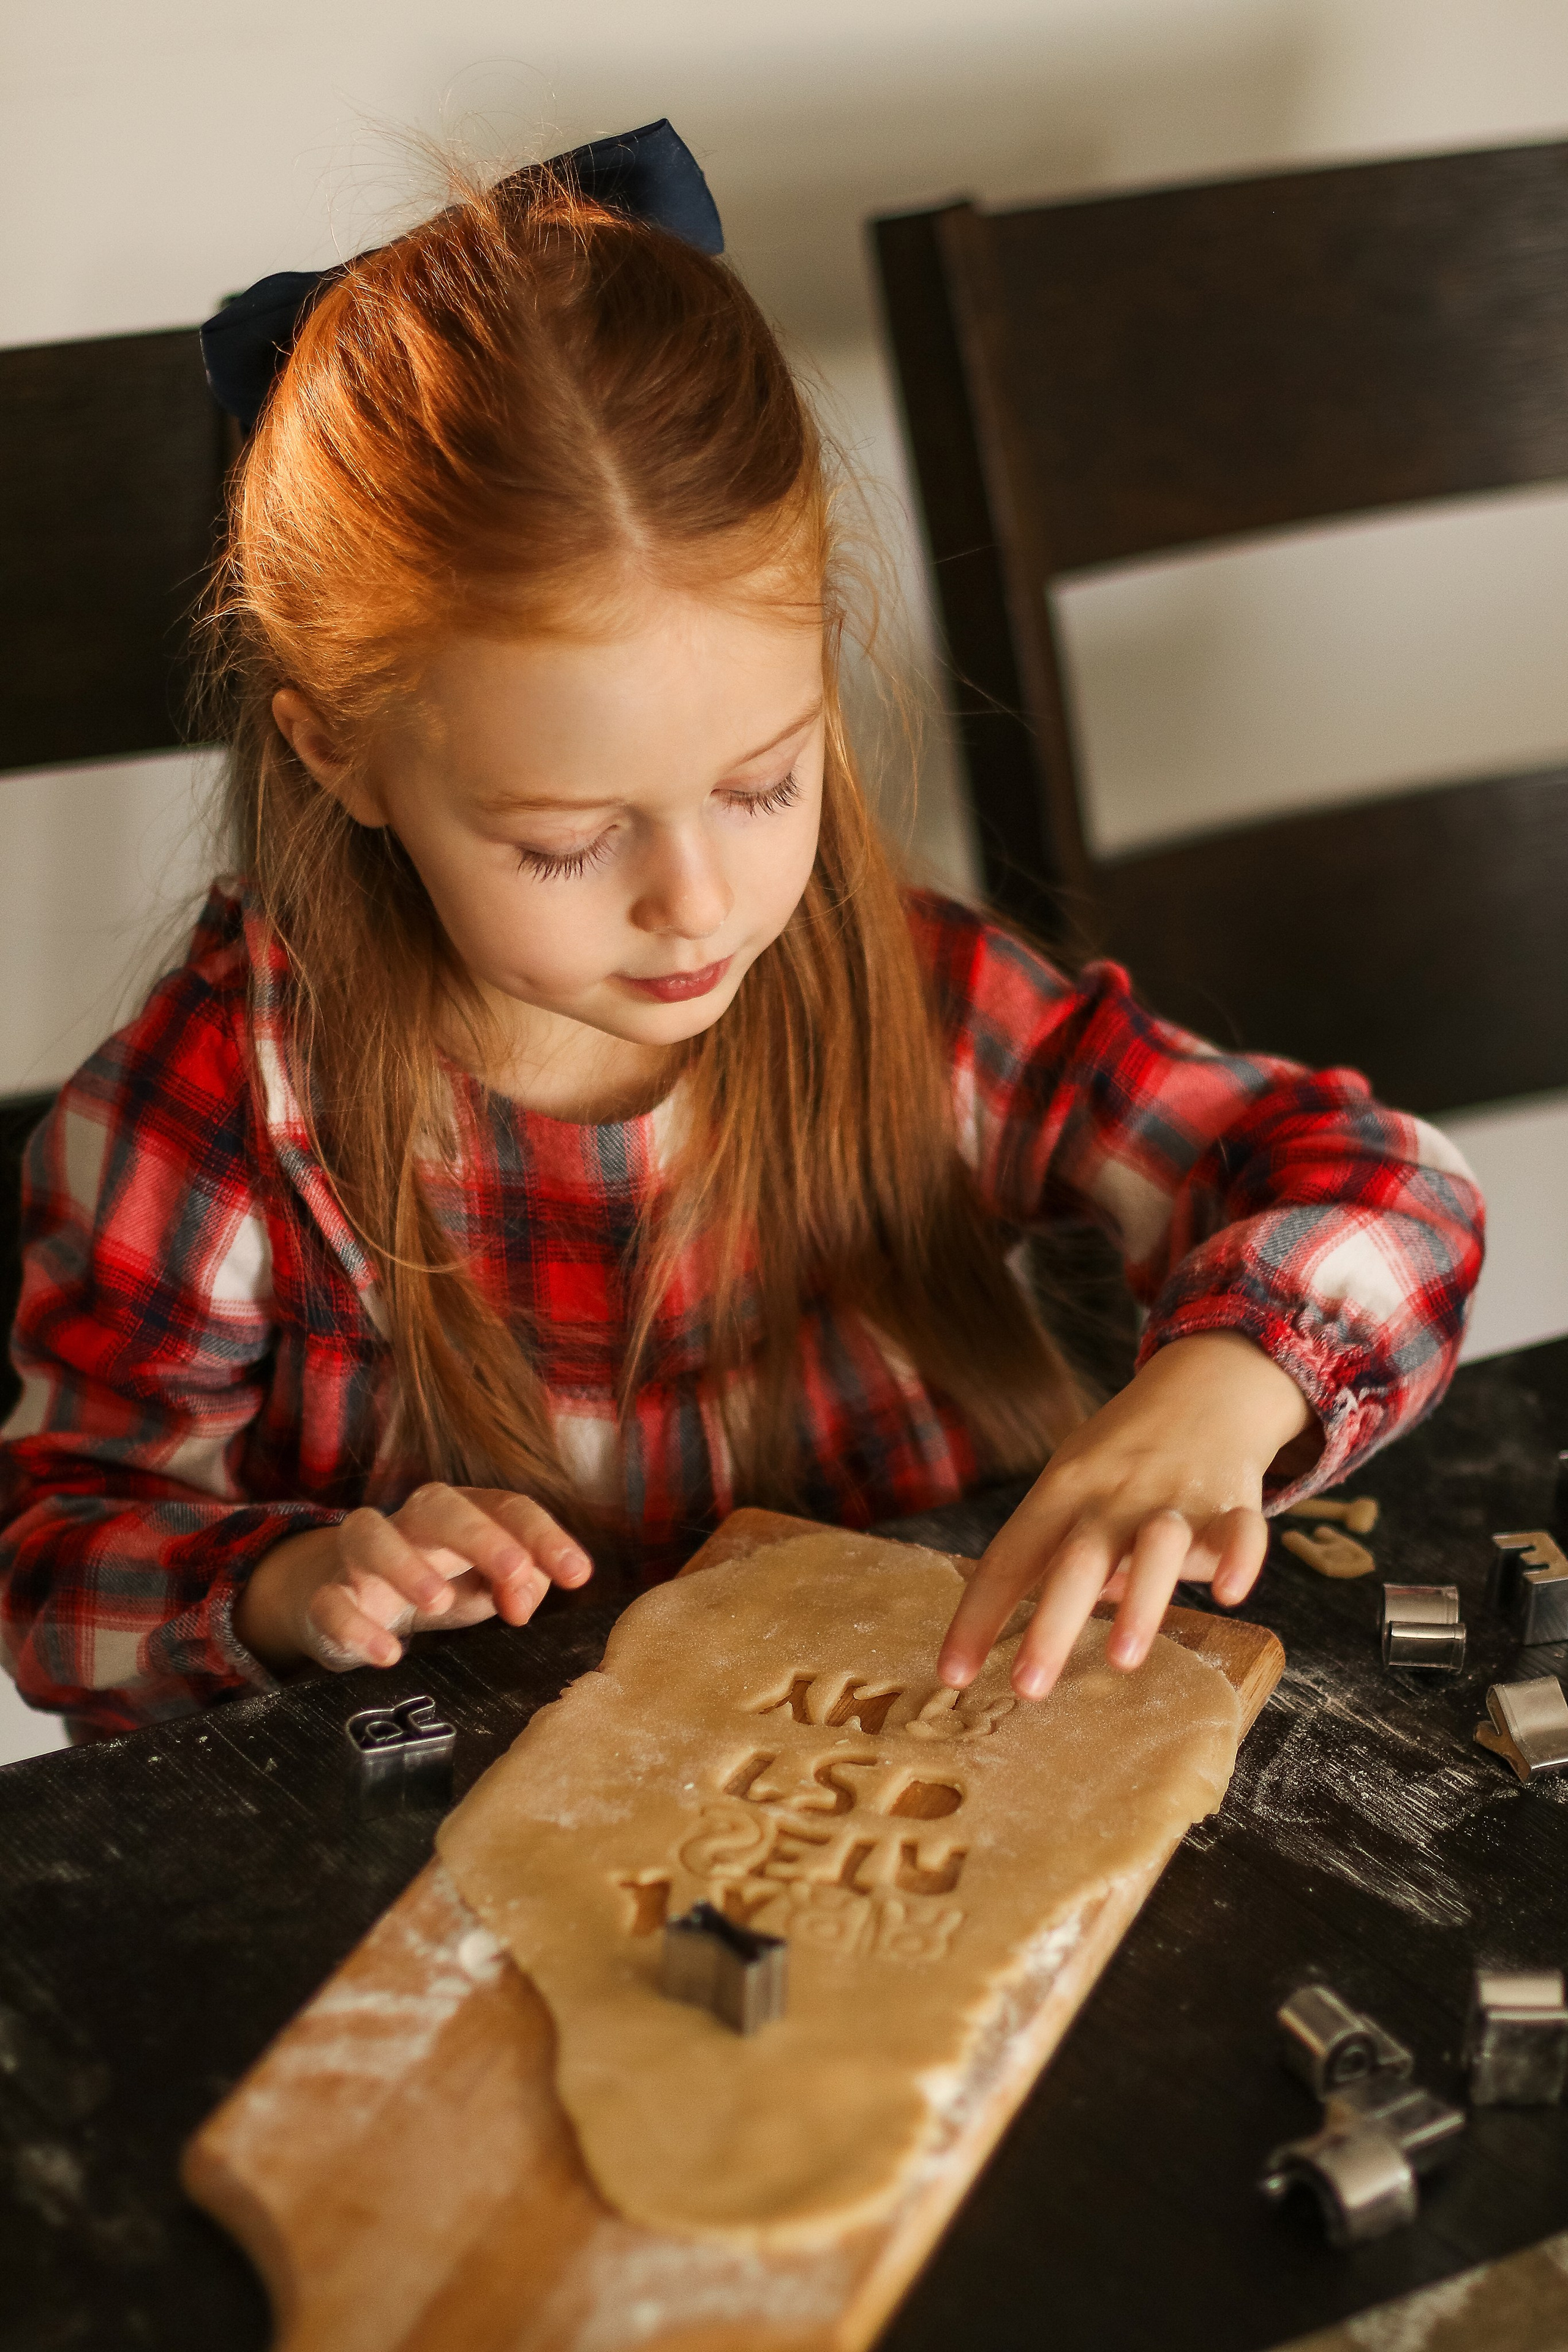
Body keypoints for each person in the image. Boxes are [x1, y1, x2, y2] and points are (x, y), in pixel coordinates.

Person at [0, 126, 1482, 1741]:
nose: (698, 904)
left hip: (935, 1758)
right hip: (466, 1865)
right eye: (565, 839)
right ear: (337, 752)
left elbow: (1387, 1186)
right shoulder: (219, 1122)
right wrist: (289, 1588)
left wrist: (1219, 1390)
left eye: (763, 786)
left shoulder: (901, 992)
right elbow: (61, 1563)